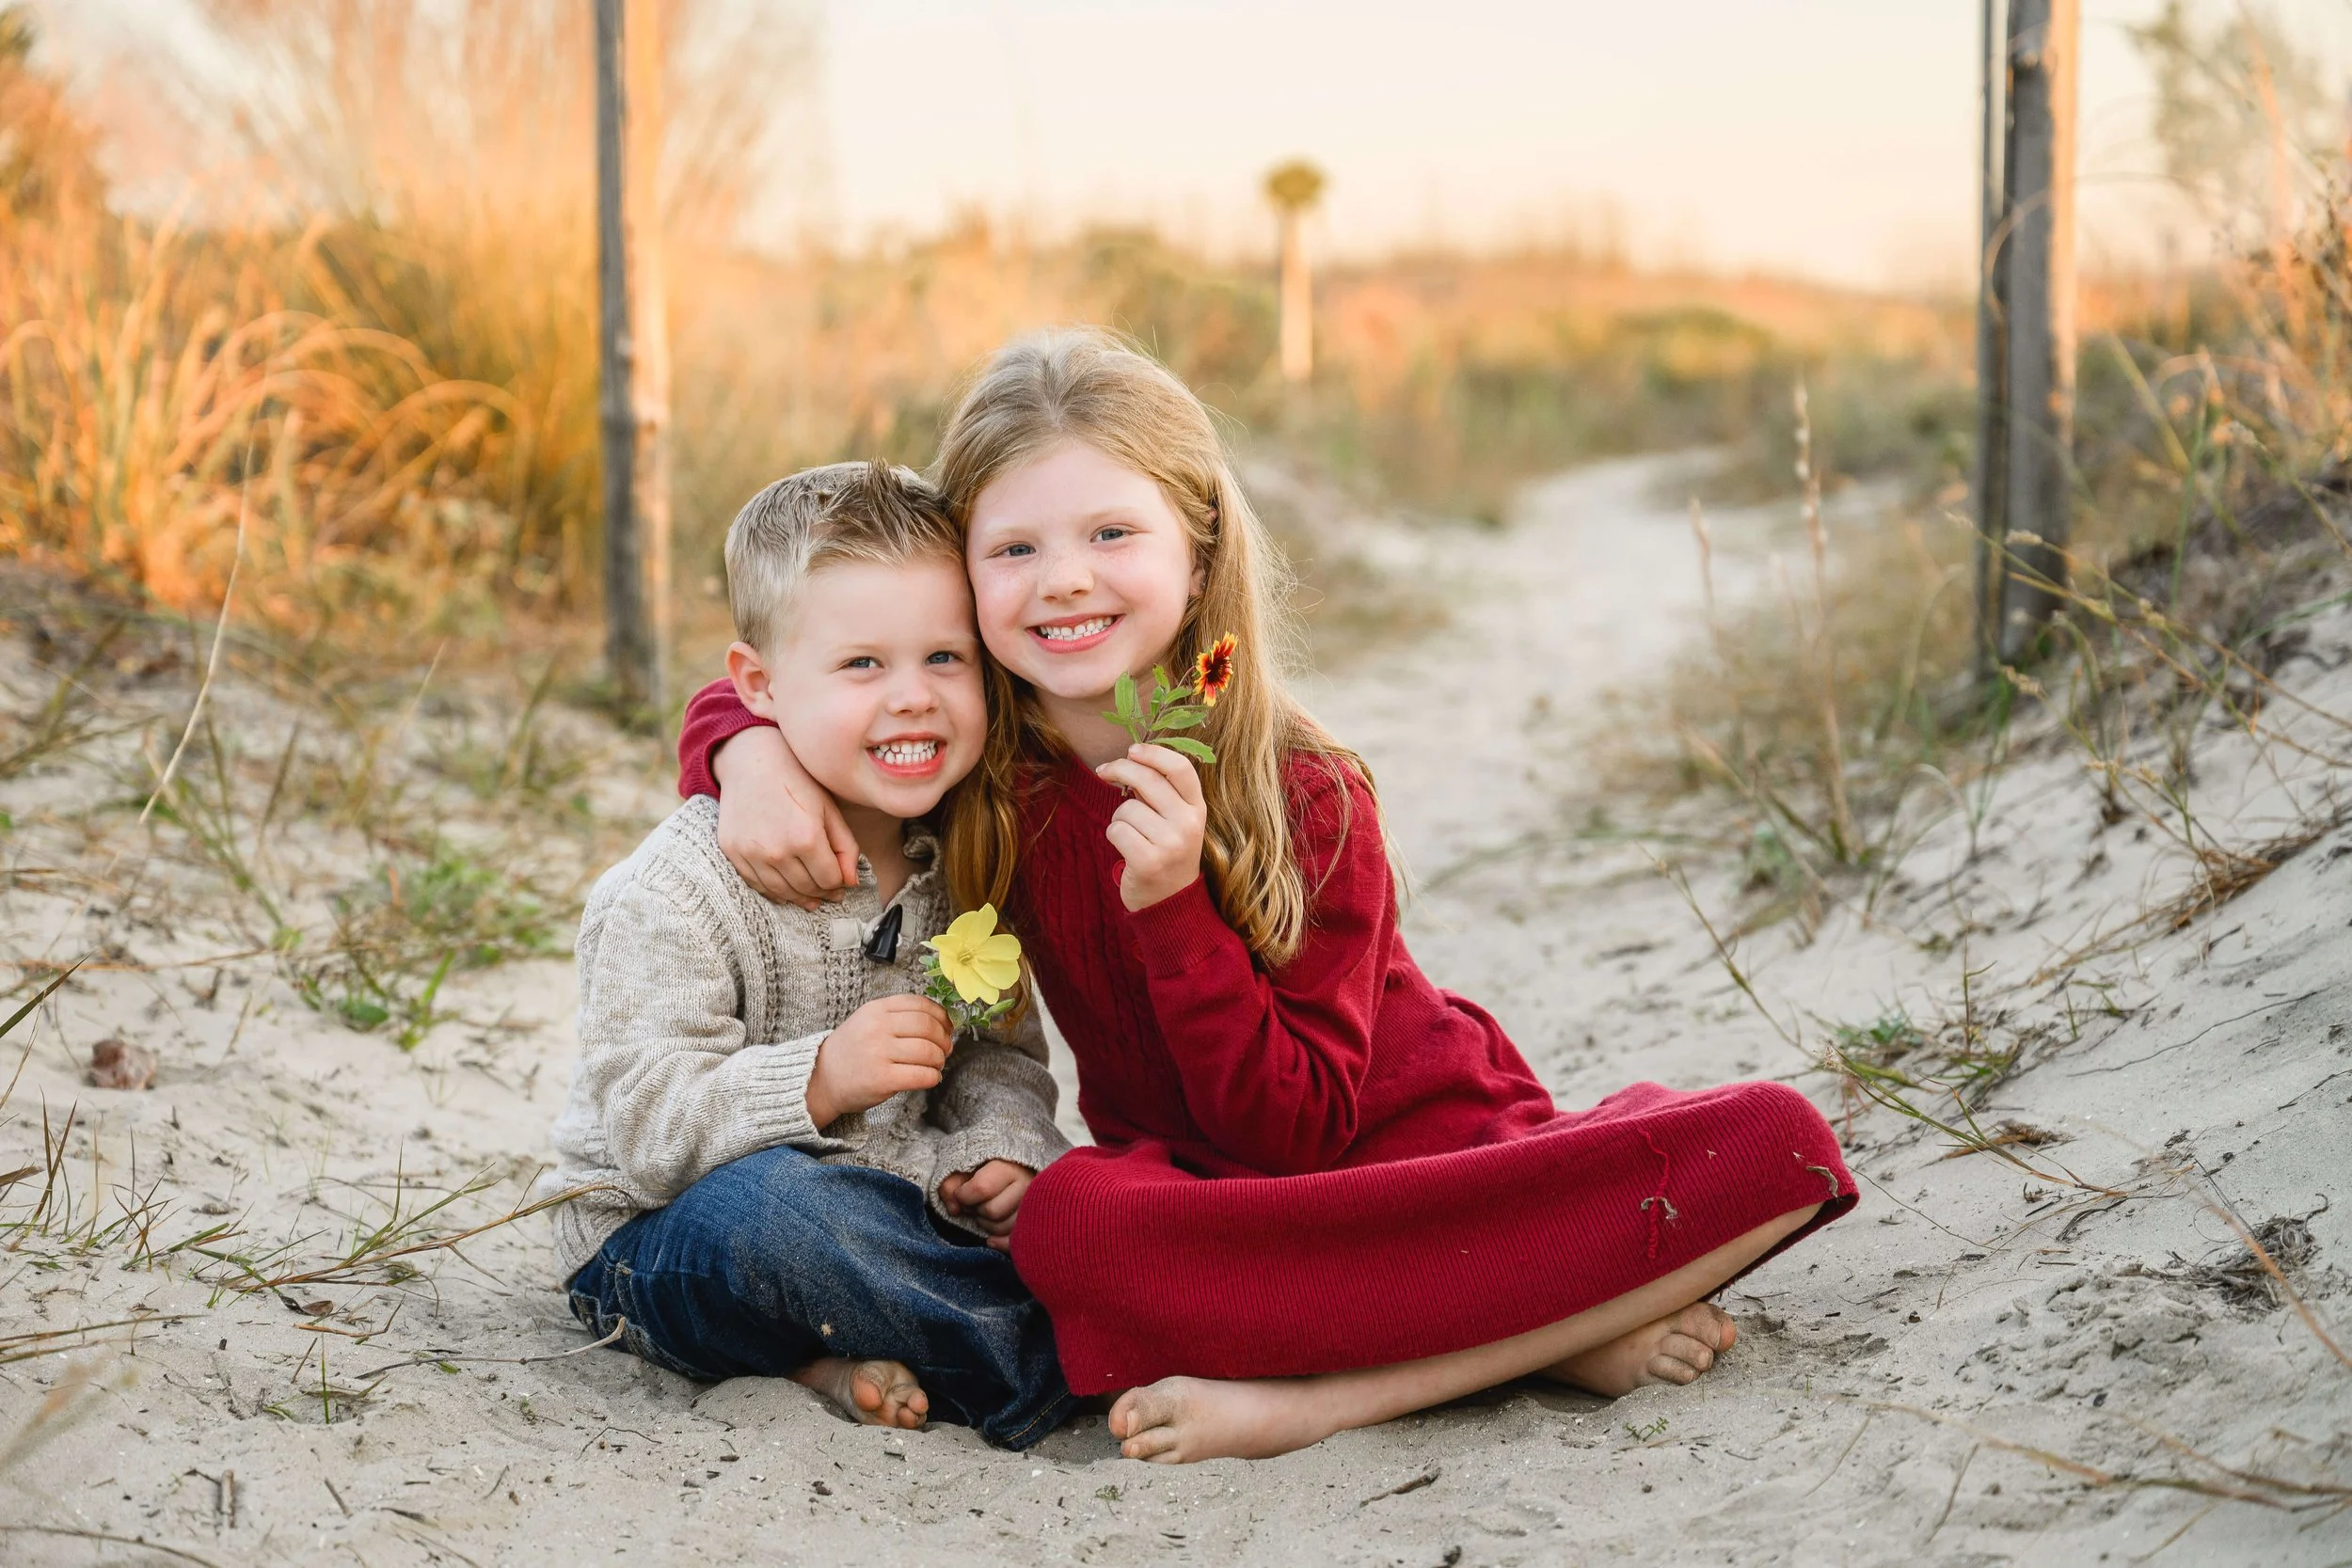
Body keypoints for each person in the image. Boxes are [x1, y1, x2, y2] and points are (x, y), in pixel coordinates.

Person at [673, 330, 1857, 1464]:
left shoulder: (1302, 789)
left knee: (1782, 1146)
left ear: (1194, 555)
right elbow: (813, 692)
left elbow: (1292, 1131)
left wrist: (1177, 905)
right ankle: (1547, 1332)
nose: (1065, 579)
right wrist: (743, 752)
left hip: (1404, 1165)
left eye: (1111, 532)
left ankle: (1328, 1397)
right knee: (1070, 1222)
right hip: (1202, 1209)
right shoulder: (989, 769)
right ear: (962, 579)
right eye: (1014, 548)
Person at [546, 461, 1071, 1450]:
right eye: (863, 665)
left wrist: (1001, 1152)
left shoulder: (963, 859)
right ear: (757, 684)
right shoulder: (675, 889)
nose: (912, 698)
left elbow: (1001, 1059)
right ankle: (1046, 1364)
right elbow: (652, 1130)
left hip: (886, 1216)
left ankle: (833, 1361)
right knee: (780, 1214)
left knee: (1067, 1199)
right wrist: (821, 1079)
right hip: (662, 1238)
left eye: (945, 658)